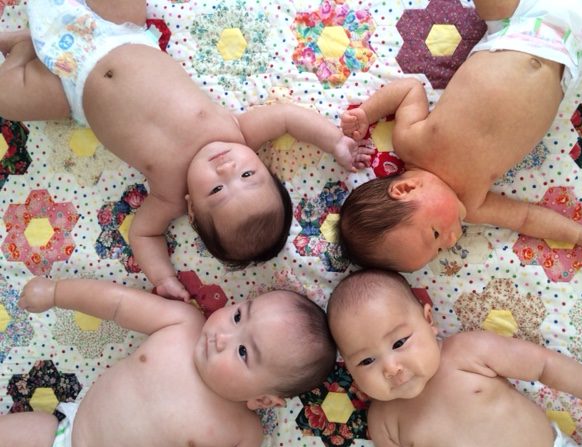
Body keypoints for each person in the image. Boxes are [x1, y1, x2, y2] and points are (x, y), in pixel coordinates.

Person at [0, 0, 373, 301]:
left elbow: (144, 235)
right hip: (121, 34)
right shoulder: (238, 133)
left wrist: (164, 278)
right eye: (248, 174)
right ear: (262, 164)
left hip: (72, 89)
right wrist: (335, 142)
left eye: (217, 189)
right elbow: (288, 118)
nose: (226, 169)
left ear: (192, 209)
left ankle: (22, 49)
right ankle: (30, 41)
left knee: (7, 99)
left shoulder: (169, 196)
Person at [337, 0, 582, 272]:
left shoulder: (410, 144)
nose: (451, 240)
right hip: (574, 54)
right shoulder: (473, 203)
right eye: (439, 250)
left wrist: (367, 112)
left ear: (405, 189)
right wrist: (578, 235)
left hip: (514, 25)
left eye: (435, 234)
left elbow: (409, 90)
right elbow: (525, 218)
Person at [1, 276, 336, 447]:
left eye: (244, 352)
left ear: (262, 399)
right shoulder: (182, 322)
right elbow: (118, 303)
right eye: (237, 316)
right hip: (59, 442)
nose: (222, 336)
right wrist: (57, 292)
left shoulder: (241, 433)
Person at [328, 269, 582, 447]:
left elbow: (545, 365)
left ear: (428, 321)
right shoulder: (384, 419)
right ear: (349, 368)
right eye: (366, 361)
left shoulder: (466, 352)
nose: (391, 368)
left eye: (399, 343)